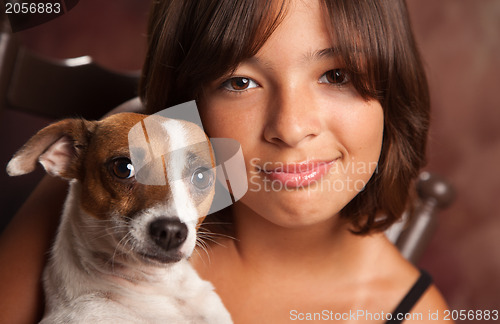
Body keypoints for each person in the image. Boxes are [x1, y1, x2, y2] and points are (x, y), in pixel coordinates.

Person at [0, 0, 450, 323]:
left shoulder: (412, 313)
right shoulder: (131, 146)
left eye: (337, 75)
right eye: (240, 81)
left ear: (394, 94)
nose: (291, 127)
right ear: (184, 104)